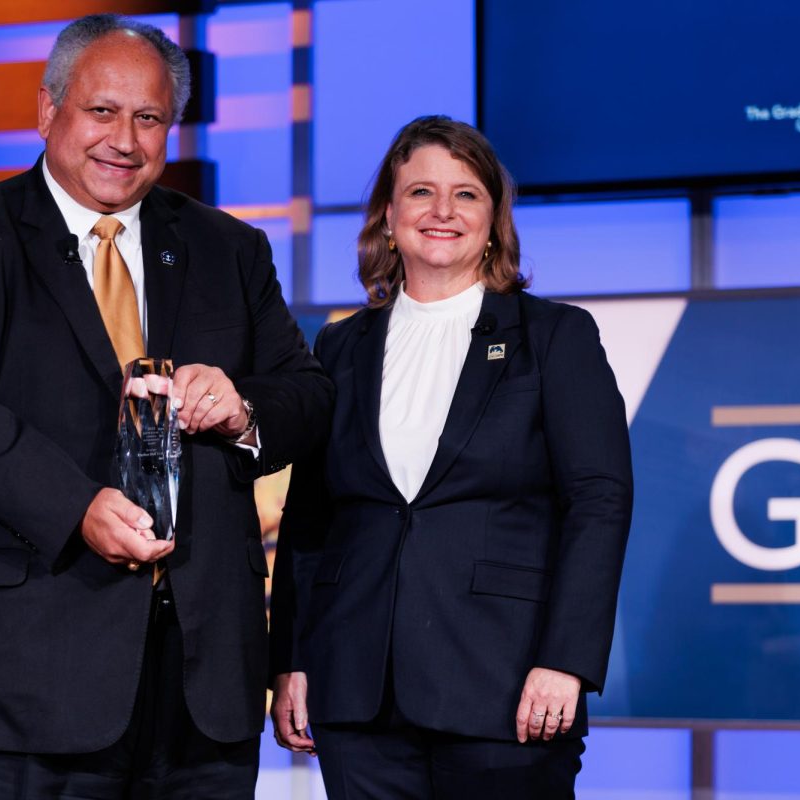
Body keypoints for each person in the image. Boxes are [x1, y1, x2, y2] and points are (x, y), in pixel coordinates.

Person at [0, 14, 333, 799]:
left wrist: (242, 409)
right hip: (15, 688)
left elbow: (309, 396)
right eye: (102, 111)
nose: (124, 138)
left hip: (199, 692)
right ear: (48, 109)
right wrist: (76, 506)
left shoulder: (229, 249)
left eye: (149, 117)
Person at [268, 115, 633, 799]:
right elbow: (311, 517)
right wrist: (292, 658)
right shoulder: (340, 348)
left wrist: (566, 662)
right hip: (357, 693)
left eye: (466, 194)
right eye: (420, 192)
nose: (442, 212)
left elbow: (599, 502)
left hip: (506, 689)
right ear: (388, 213)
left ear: (494, 218)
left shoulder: (555, 337)